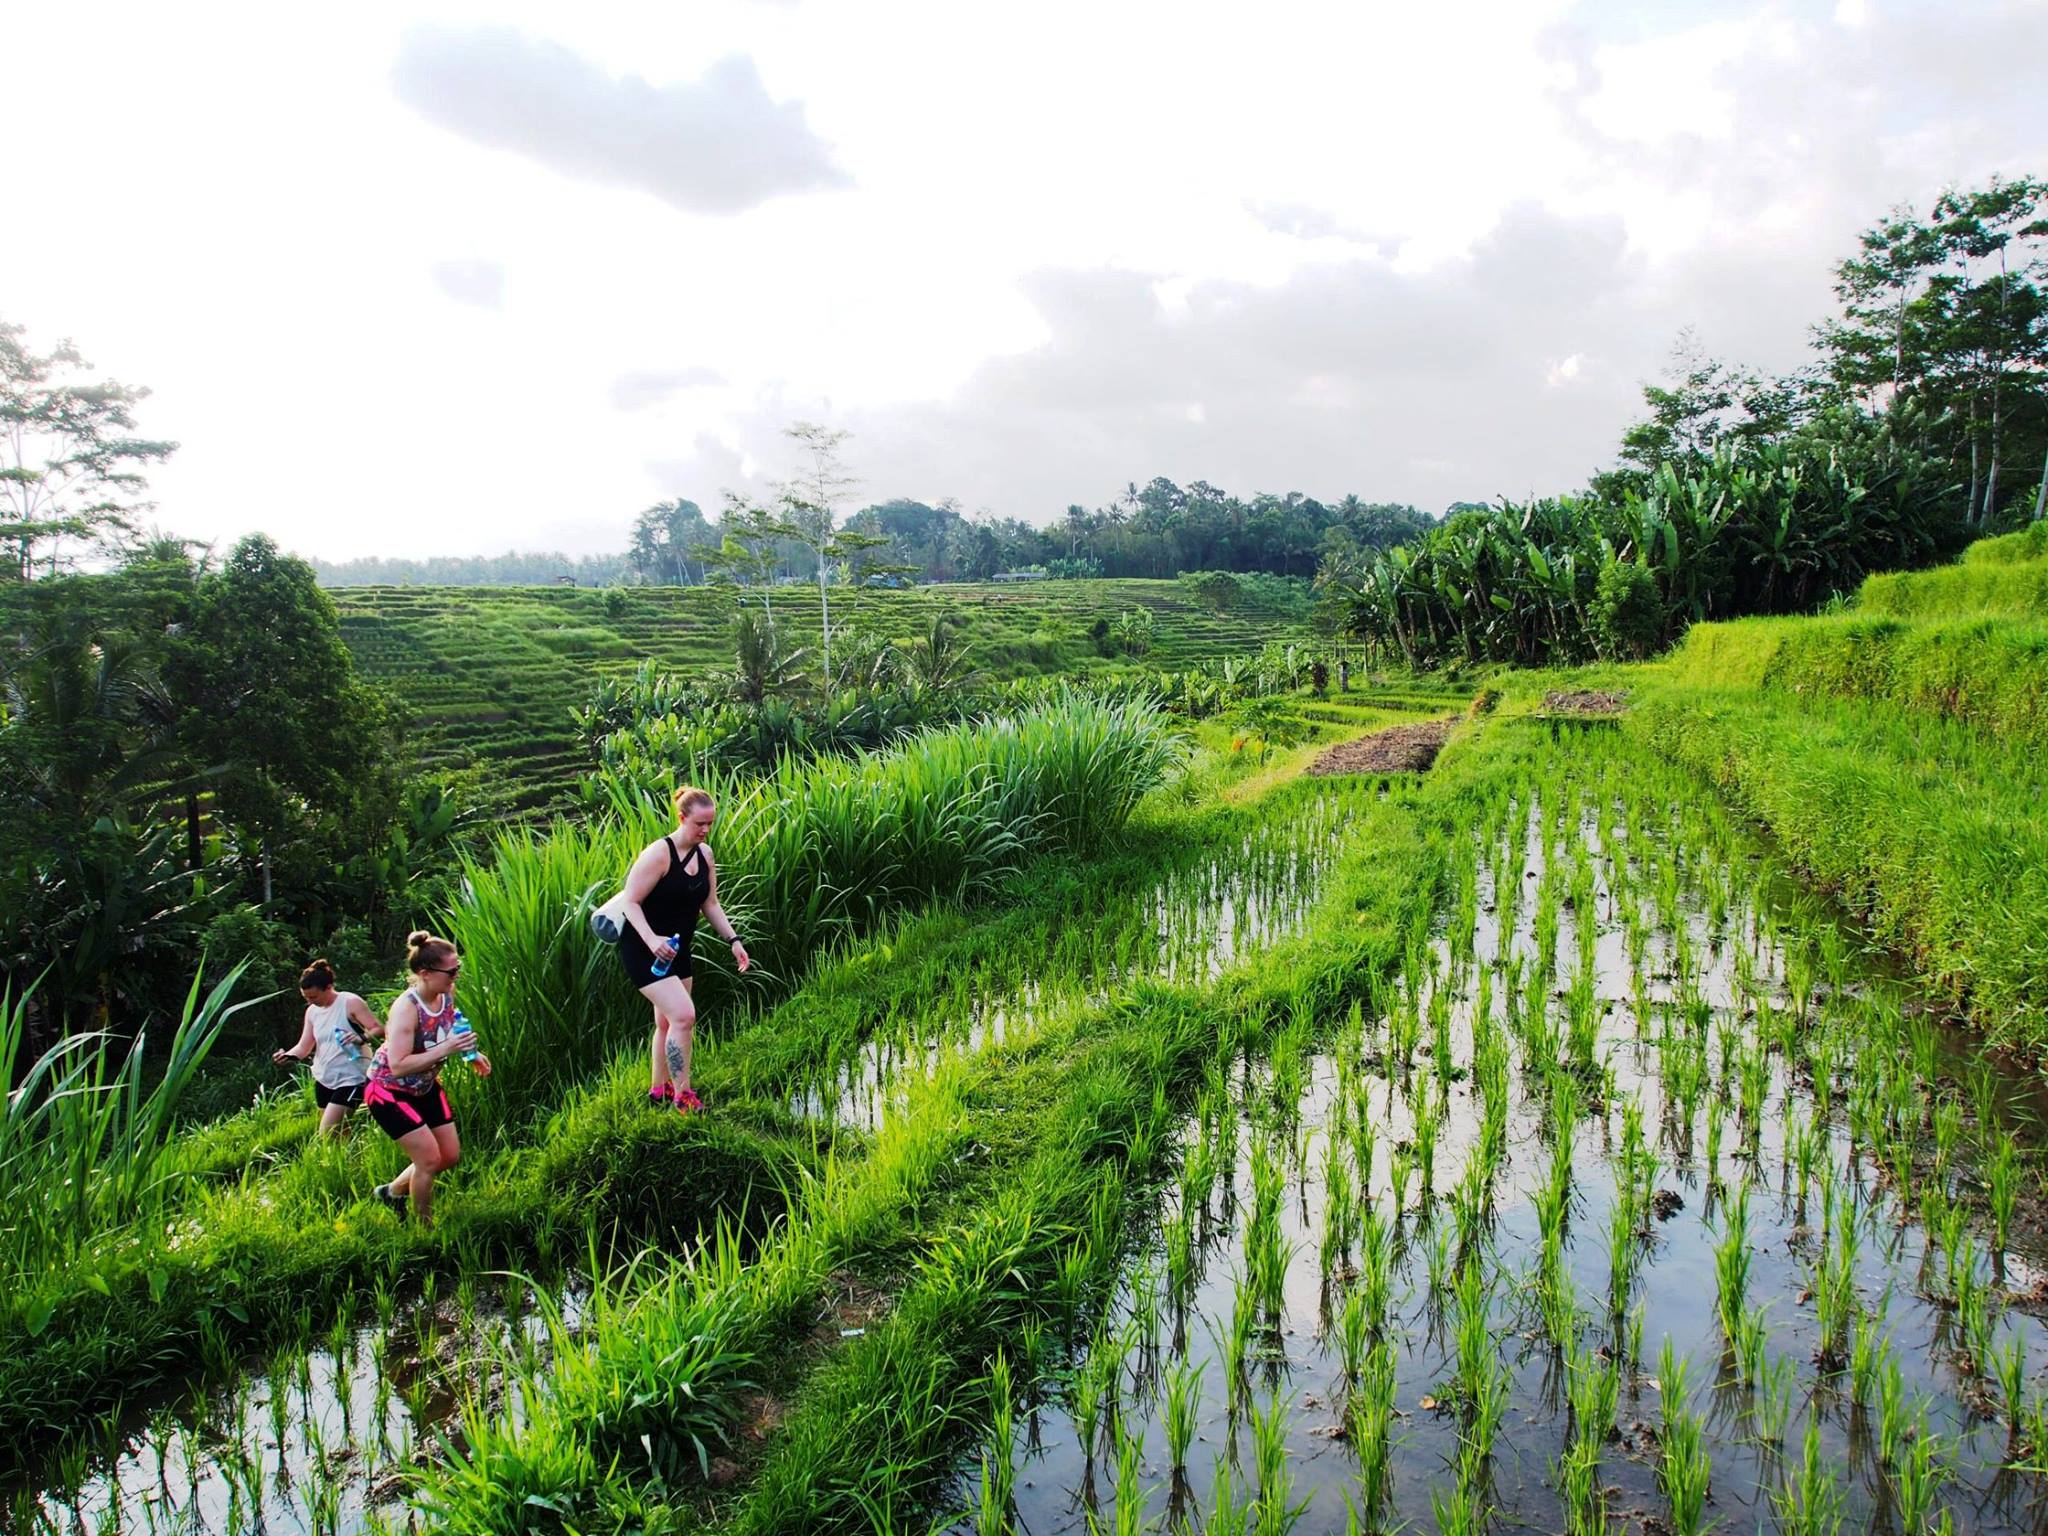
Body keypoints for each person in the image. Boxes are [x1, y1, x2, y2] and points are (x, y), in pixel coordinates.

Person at [618, 785, 749, 1113]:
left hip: (678, 949)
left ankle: (658, 1090)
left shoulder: (705, 855)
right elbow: (630, 902)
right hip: (644, 948)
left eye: (710, 824)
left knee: (666, 1023)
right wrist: (652, 940)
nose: (705, 830)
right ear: (681, 818)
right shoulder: (659, 854)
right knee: (684, 1016)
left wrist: (734, 941)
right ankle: (683, 1095)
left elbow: (711, 903)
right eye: (699, 824)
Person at [366, 930, 490, 1225]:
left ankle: (392, 1193)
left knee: (449, 1155)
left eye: (458, 968)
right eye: (451, 971)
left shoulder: (445, 993)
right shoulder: (406, 1009)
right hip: (388, 1091)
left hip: (425, 1086)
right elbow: (398, 1065)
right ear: (425, 973)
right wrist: (446, 1049)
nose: (456, 976)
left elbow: (452, 1026)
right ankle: (425, 1229)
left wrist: (471, 1054)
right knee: (429, 1160)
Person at [273, 958, 383, 1136]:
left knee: (327, 1133)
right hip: (324, 1078)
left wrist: (360, 1037)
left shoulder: (350, 1002)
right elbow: (304, 1046)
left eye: (314, 997)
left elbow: (379, 1029)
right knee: (338, 1137)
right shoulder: (312, 1012)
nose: (310, 1002)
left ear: (328, 987)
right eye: (306, 998)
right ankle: (348, 1162)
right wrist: (287, 1056)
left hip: (352, 1077)